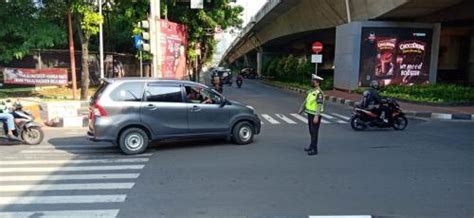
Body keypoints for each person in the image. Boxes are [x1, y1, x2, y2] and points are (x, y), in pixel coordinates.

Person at [298, 74, 325, 156]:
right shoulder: (311, 91)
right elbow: (306, 100)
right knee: (311, 131)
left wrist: (316, 116)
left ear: (318, 83)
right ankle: (311, 146)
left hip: (315, 115)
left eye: (313, 81)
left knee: (314, 132)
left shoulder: (319, 93)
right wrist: (301, 109)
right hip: (310, 114)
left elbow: (319, 105)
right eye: (312, 81)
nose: (312, 82)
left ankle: (314, 149)